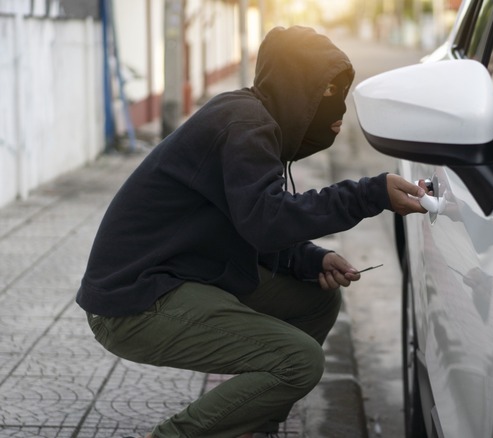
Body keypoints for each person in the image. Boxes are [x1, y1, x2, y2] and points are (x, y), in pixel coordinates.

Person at [77, 26, 426, 438]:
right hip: (132, 300)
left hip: (181, 274)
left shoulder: (254, 121)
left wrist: (310, 258)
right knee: (300, 361)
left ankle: (250, 424)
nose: (338, 111)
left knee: (318, 300)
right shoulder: (244, 124)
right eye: (326, 91)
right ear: (297, 90)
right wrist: (369, 194)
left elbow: (250, 223)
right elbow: (267, 220)